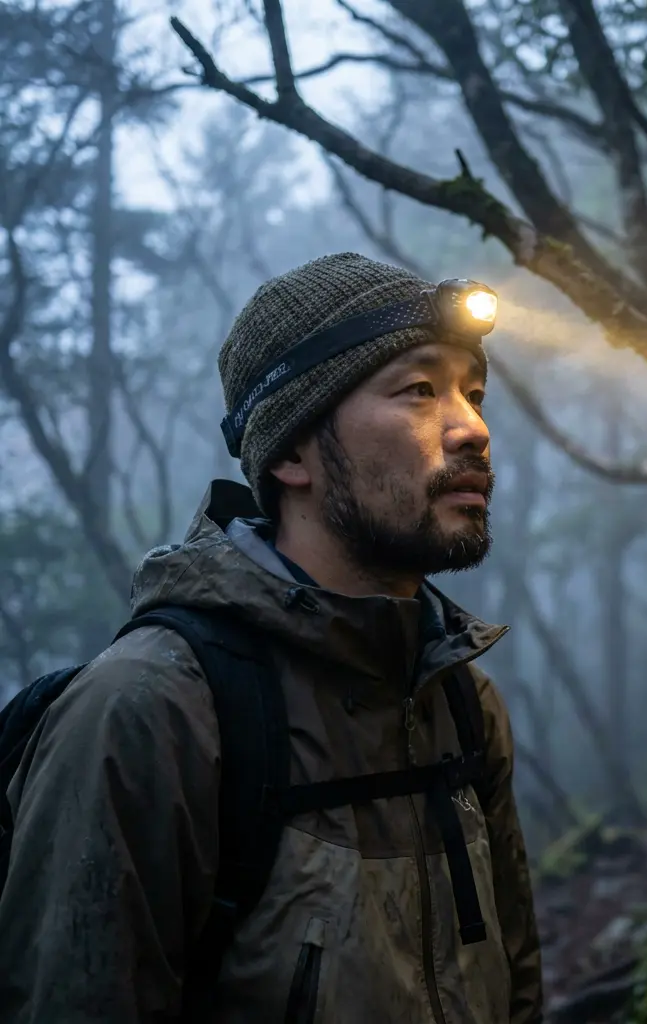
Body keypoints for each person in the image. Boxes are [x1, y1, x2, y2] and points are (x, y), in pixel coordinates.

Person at [0, 253, 544, 1023]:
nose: (474, 430)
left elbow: (517, 989)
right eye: (420, 391)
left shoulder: (461, 701)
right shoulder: (149, 712)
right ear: (291, 452)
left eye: (474, 393)